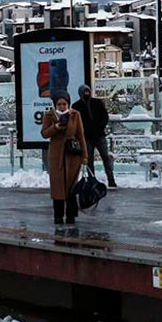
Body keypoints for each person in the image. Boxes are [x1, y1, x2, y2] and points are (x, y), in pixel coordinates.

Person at [41, 92, 87, 225]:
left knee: (71, 186)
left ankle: (71, 215)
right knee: (58, 187)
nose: (62, 107)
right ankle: (58, 215)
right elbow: (44, 133)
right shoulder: (49, 115)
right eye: (59, 104)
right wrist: (54, 127)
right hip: (56, 155)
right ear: (55, 105)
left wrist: (85, 155)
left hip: (72, 155)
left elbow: (81, 135)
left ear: (68, 104)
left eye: (64, 104)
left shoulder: (75, 115)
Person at [72, 84, 116, 188]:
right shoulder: (76, 106)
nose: (87, 94)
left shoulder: (97, 103)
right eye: (84, 92)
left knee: (105, 157)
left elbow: (105, 116)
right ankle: (92, 180)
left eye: (88, 91)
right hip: (86, 136)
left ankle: (111, 179)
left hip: (99, 135)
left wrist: (100, 126)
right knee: (89, 159)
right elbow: (75, 122)